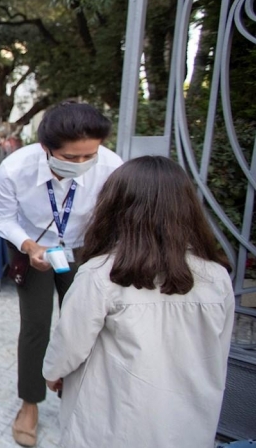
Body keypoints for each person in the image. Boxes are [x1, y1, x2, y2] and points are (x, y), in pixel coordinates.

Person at [43, 156, 235, 447]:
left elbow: (69, 343)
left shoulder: (100, 274)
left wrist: (52, 373)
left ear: (116, 207)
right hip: (188, 426)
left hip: (112, 425)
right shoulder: (217, 278)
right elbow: (218, 352)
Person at [0, 101, 123, 447]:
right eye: (72, 158)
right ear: (46, 148)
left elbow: (118, 219)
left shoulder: (111, 167)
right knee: (36, 325)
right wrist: (29, 246)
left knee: (85, 325)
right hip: (33, 249)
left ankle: (77, 395)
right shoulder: (14, 169)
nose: (82, 164)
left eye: (88, 156)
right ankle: (30, 404)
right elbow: (2, 219)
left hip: (83, 251)